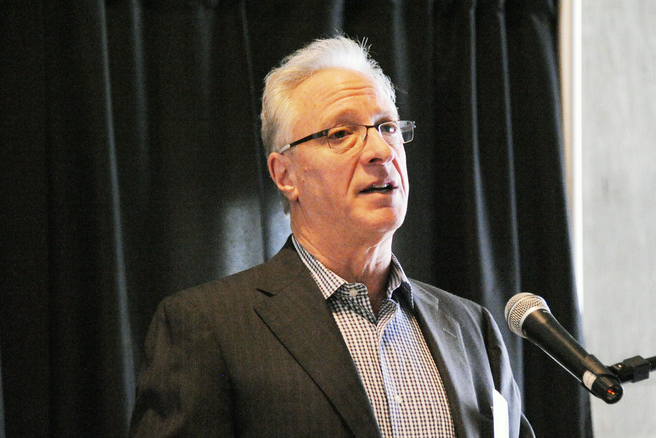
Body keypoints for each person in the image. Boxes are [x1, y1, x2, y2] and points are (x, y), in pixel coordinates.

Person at [129, 36, 534, 438]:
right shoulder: (207, 327)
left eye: (388, 127)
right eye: (341, 133)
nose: (381, 150)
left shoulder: (469, 327)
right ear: (285, 175)